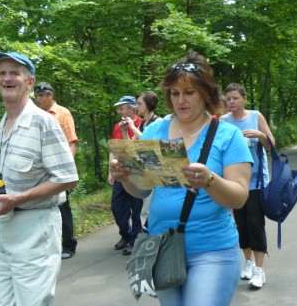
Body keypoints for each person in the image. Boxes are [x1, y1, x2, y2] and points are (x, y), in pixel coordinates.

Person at [109, 52, 252, 306]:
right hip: (163, 248)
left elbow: (240, 197)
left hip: (212, 250)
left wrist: (210, 180)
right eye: (175, 93)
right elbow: (142, 192)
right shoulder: (155, 130)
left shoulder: (228, 136)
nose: (181, 100)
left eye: (189, 92)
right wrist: (126, 178)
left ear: (205, 94)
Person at [0, 52, 79, 306]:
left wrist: (20, 198)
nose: (7, 78)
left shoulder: (43, 122)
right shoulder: (3, 123)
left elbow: (68, 178)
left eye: (14, 73)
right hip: (0, 229)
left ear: (30, 82)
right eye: (1, 73)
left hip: (35, 228)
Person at [223, 82, 275, 289]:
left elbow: (271, 144)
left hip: (256, 181)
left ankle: (260, 270)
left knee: (255, 223)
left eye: (235, 98)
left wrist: (261, 136)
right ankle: (248, 262)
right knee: (241, 224)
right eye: (228, 99)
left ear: (244, 99)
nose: (231, 102)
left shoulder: (255, 116)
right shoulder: (225, 122)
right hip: (234, 181)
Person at [34, 81, 79, 260]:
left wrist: (67, 170)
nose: (38, 99)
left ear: (50, 95)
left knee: (62, 206)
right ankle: (46, 245)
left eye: (41, 96)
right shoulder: (35, 114)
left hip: (59, 167)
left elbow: (71, 140)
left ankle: (69, 244)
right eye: (36, 96)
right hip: (40, 168)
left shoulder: (62, 113)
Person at [108, 95, 143, 256]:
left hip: (137, 172)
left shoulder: (141, 124)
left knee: (137, 209)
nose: (119, 111)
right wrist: (111, 171)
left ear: (132, 108)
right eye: (119, 108)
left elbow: (133, 148)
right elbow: (114, 149)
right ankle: (126, 234)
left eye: (122, 108)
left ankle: (134, 240)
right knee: (117, 206)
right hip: (121, 171)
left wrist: (128, 130)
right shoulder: (117, 126)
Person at [123, 91, 163, 225]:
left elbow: (149, 142)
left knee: (149, 207)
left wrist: (133, 127)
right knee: (145, 206)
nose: (136, 107)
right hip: (144, 170)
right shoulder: (141, 124)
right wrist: (125, 131)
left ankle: (152, 236)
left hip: (156, 170)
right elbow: (130, 146)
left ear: (149, 104)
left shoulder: (159, 122)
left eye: (139, 104)